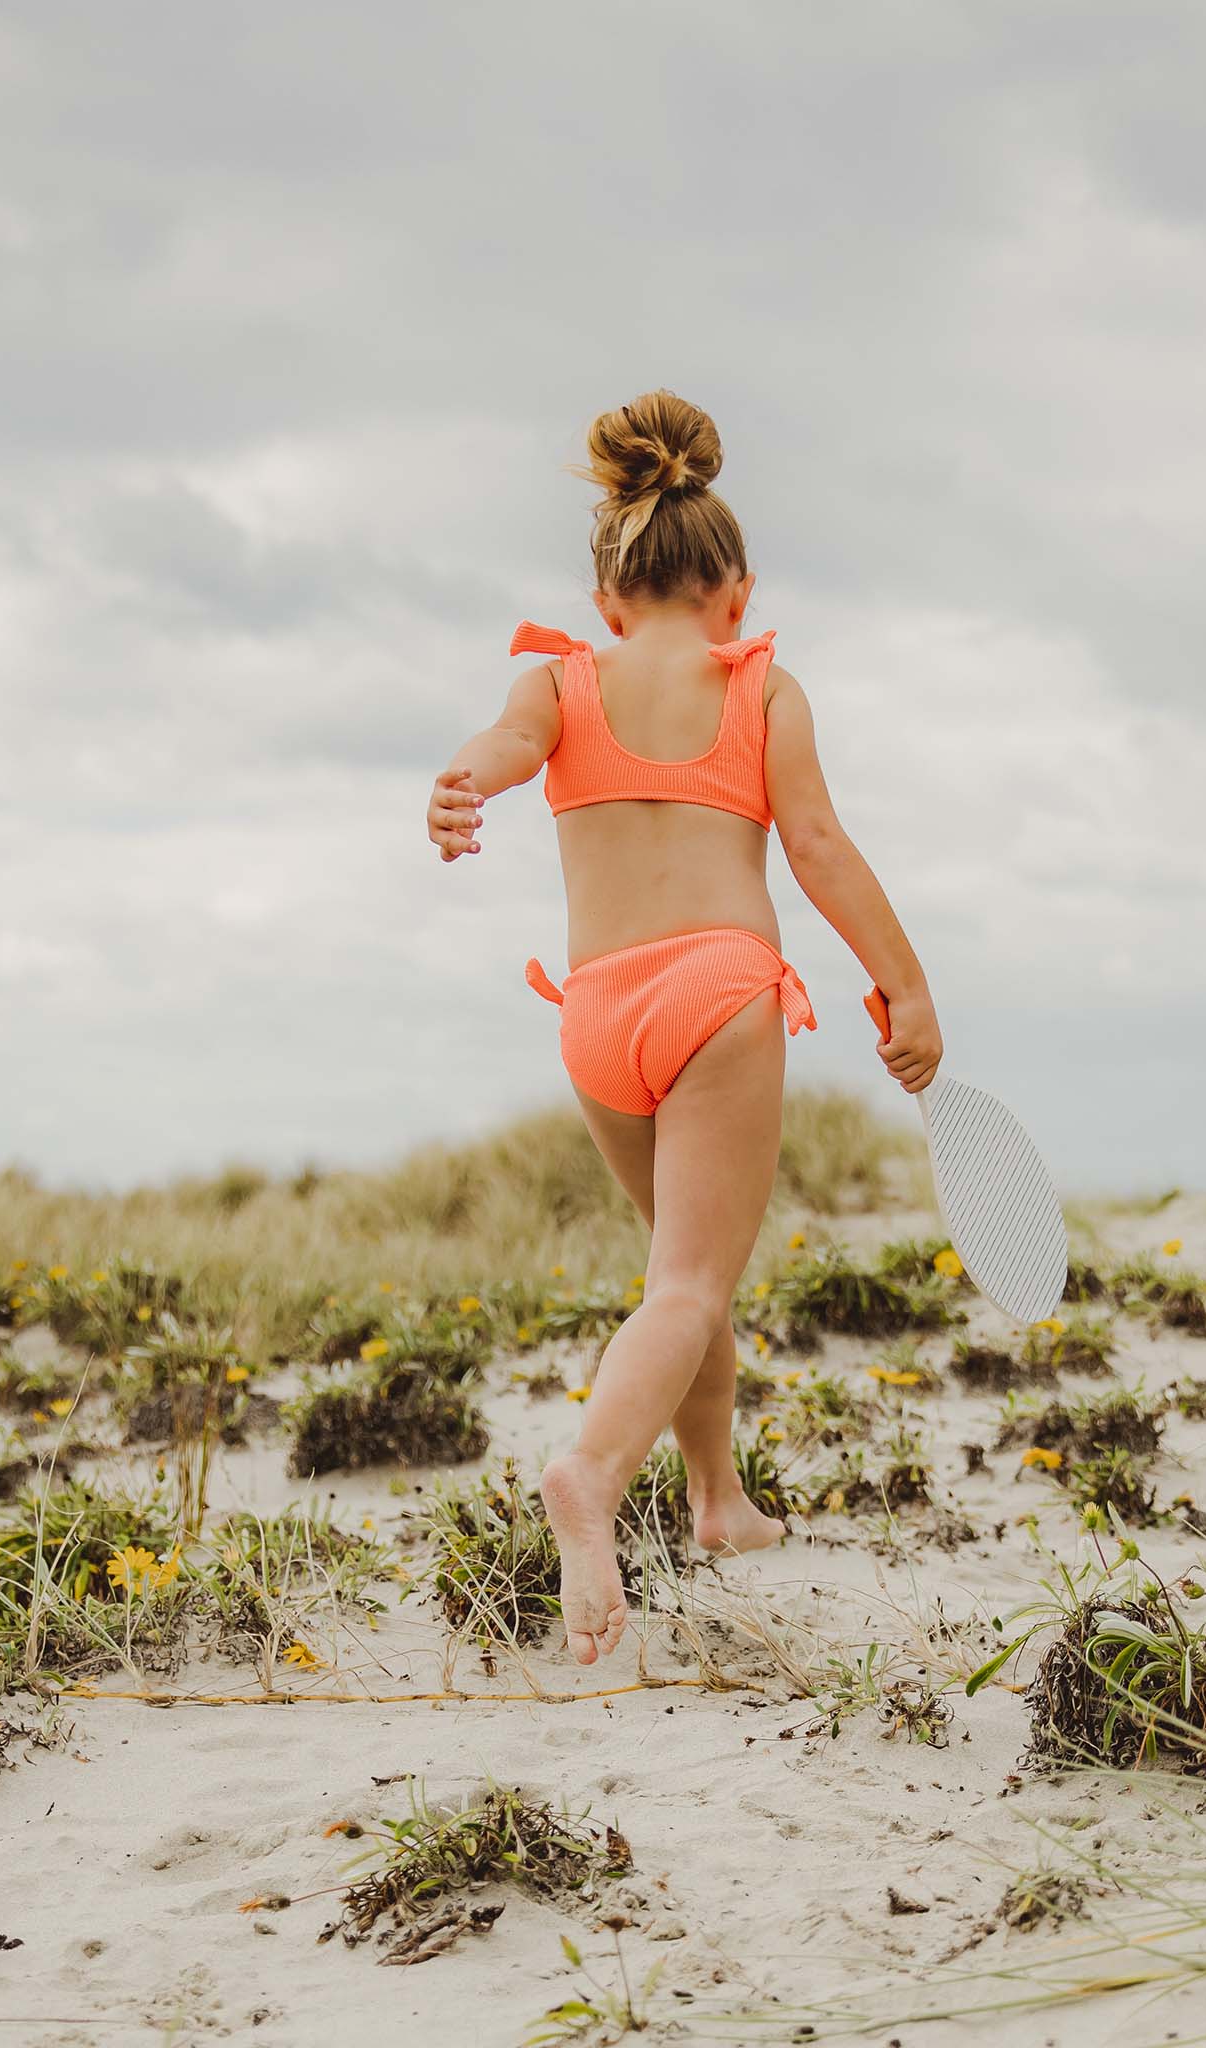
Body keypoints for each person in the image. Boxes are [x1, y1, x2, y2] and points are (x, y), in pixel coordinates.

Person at [426, 390, 941, 1665]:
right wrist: (904, 984)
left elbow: (500, 742)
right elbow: (814, 845)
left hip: (597, 1011)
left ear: (607, 600)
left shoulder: (560, 676)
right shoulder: (760, 686)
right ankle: (593, 1475)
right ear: (738, 593)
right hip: (715, 992)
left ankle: (715, 1500)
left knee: (677, 1267)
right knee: (692, 1279)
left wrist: (462, 784)